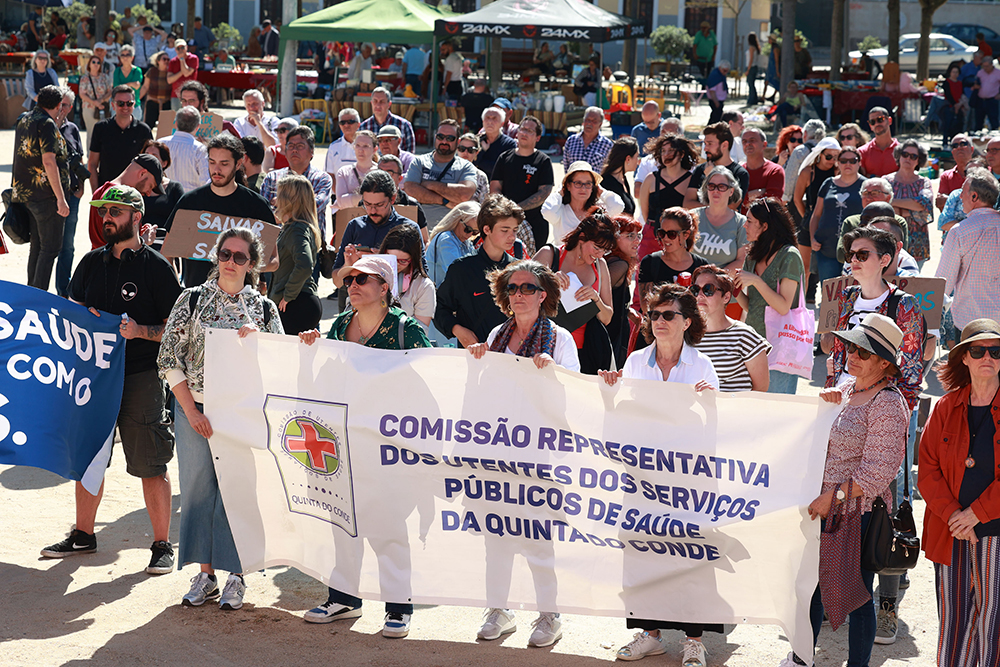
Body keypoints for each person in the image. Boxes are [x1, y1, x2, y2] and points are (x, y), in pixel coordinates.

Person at [41, 184, 181, 579]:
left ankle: (160, 545)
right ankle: (83, 534)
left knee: (150, 462)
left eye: (115, 212)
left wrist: (140, 332)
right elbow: (69, 312)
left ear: (136, 217)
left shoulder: (156, 267)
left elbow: (174, 328)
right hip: (92, 378)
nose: (107, 218)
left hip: (140, 377)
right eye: (104, 211)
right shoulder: (89, 264)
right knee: (88, 458)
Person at [298, 255, 429, 638]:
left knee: (388, 522)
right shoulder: (339, 325)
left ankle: (399, 606)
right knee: (343, 519)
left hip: (389, 444)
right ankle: (344, 597)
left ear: (385, 288)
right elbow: (324, 380)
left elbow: (428, 380)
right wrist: (311, 348)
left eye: (364, 279)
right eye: (350, 278)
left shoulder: (406, 329)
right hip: (343, 441)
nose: (352, 284)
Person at [159, 227, 283, 611]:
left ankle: (237, 576)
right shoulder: (191, 300)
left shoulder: (264, 310)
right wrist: (192, 411)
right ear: (217, 257)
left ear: (252, 265)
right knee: (197, 490)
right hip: (192, 408)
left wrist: (259, 340)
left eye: (240, 257)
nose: (231, 262)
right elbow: (168, 358)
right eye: (225, 254)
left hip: (242, 415)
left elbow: (280, 367)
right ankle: (206, 573)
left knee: (238, 493)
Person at [778, 314, 908, 667]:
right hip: (829, 509)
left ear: (884, 363)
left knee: (858, 595)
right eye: (851, 346)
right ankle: (802, 657)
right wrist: (826, 407)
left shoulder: (888, 403)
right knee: (813, 586)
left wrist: (831, 497)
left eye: (863, 352)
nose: (853, 354)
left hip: (856, 514)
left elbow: (879, 472)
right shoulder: (850, 389)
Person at [468, 259, 579, 647]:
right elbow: (483, 391)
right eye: (512, 288)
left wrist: (553, 372)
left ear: (543, 295)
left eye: (528, 288)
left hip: (539, 454)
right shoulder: (498, 334)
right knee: (495, 536)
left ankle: (549, 615)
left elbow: (575, 393)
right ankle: (499, 609)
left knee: (537, 537)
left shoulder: (559, 339)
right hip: (497, 449)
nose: (519, 295)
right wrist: (480, 360)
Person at [918, 318, 1000, 667]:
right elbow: (927, 470)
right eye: (978, 350)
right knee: (952, 621)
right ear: (963, 357)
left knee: (993, 620)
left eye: (996, 351)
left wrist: (976, 514)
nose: (988, 357)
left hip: (994, 529)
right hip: (949, 529)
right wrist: (955, 516)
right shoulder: (945, 406)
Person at [162, 133, 277, 288]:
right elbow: (167, 253)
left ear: (238, 164)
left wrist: (242, 265)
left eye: (224, 163)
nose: (216, 170)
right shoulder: (189, 202)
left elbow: (274, 260)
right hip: (198, 299)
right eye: (212, 162)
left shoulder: (256, 205)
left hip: (239, 302)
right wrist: (176, 289)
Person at [734, 198, 804, 394]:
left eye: (749, 221)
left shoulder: (789, 255)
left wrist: (756, 281)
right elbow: (752, 306)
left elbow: (783, 306)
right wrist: (734, 289)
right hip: (754, 345)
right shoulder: (752, 256)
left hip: (782, 345)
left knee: (777, 410)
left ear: (764, 226)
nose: (744, 225)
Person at [434, 195, 522, 348]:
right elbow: (438, 308)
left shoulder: (518, 270)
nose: (512, 236)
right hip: (473, 357)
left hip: (510, 358)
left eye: (515, 230)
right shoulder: (462, 268)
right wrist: (457, 330)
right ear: (487, 229)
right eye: (505, 230)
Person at [534, 214, 617, 374]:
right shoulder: (549, 254)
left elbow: (607, 318)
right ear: (582, 237)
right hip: (546, 347)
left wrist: (596, 299)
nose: (599, 255)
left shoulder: (600, 265)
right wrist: (548, 282)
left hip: (585, 351)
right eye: (597, 248)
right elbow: (520, 291)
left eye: (604, 251)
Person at [11, 85, 70, 291]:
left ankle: (32, 292)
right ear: (57, 105)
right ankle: (39, 297)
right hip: (45, 196)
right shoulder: (46, 123)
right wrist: (61, 199)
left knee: (37, 247)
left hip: (26, 195)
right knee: (50, 249)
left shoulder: (24, 118)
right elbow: (48, 161)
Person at [937, 168, 1000, 335]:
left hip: (970, 321)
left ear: (974, 197)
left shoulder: (960, 231)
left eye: (963, 191)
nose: (959, 196)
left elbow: (943, 282)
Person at [332, 170, 422, 285]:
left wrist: (385, 262)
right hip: (358, 300)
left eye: (379, 205)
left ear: (392, 199)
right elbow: (337, 282)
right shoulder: (354, 226)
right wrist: (348, 264)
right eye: (367, 204)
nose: (373, 211)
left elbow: (421, 276)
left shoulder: (409, 228)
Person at [693, 265, 770, 392]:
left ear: (726, 297)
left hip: (736, 410)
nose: (700, 295)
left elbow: (761, 389)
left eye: (708, 289)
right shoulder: (687, 335)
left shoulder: (745, 336)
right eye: (695, 289)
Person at [261, 126, 333, 246]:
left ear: (312, 152)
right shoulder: (272, 178)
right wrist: (304, 199)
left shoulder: (322, 179)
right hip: (275, 247)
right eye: (291, 146)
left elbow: (314, 207)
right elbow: (264, 213)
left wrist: (281, 203)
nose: (294, 150)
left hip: (310, 247)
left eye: (300, 146)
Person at [490, 114, 555, 247]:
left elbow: (544, 192)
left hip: (534, 223)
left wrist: (517, 209)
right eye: (522, 129)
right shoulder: (504, 158)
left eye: (530, 131)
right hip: (505, 221)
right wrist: (505, 209)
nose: (524, 133)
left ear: (538, 137)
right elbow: (495, 187)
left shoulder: (543, 161)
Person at [271, 173, 323, 335]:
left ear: (288, 200)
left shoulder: (297, 229)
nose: (275, 200)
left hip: (296, 304)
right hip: (297, 303)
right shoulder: (296, 227)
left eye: (279, 195)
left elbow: (305, 264)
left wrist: (288, 295)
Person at [404, 119, 478, 228]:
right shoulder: (419, 162)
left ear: (458, 142)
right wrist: (444, 201)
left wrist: (430, 185)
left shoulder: (466, 167)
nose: (444, 141)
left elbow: (464, 195)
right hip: (419, 231)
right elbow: (410, 191)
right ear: (435, 138)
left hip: (451, 233)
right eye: (440, 137)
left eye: (450, 138)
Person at [809, 145, 866, 283]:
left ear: (859, 162)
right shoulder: (828, 183)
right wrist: (812, 239)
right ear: (837, 162)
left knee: (855, 291)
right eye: (843, 160)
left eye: (853, 160)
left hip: (856, 250)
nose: (848, 164)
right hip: (826, 247)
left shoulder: (866, 185)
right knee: (829, 293)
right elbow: (816, 214)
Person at [638, 133, 698, 261]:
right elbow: (644, 212)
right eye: (663, 151)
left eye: (671, 150)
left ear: (682, 154)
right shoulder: (651, 179)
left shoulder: (692, 180)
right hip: (652, 234)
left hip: (679, 237)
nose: (666, 154)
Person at [87, 153, 166, 249]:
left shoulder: (100, 191)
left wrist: (139, 233)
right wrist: (143, 241)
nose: (149, 193)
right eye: (150, 186)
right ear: (142, 173)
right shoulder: (118, 198)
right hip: (112, 262)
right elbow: (116, 248)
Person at [87, 84, 153, 192]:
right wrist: (96, 192)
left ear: (134, 104)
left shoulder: (144, 130)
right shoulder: (101, 128)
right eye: (121, 103)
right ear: (113, 105)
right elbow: (92, 163)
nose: (125, 107)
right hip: (107, 192)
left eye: (129, 103)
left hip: (134, 194)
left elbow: (150, 165)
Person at [790, 137, 839, 282]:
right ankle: (800, 303)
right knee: (803, 268)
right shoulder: (808, 172)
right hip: (810, 220)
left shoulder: (837, 172)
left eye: (836, 157)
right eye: (828, 156)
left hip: (831, 222)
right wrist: (807, 216)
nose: (832, 160)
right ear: (819, 154)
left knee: (830, 265)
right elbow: (797, 199)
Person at [541, 161, 625, 242]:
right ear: (568, 186)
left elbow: (618, 206)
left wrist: (601, 192)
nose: (583, 188)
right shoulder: (560, 211)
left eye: (588, 183)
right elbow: (547, 211)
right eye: (578, 183)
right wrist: (559, 192)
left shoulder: (598, 211)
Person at [53, 87, 84, 299]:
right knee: (45, 248)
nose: (60, 109)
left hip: (71, 195)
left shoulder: (72, 129)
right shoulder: (42, 127)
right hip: (48, 197)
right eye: (58, 104)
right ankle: (37, 291)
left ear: (70, 107)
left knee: (67, 247)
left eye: (65, 105)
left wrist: (81, 187)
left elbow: (79, 160)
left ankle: (63, 292)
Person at [835, 178, 909, 263]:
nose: (868, 198)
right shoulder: (851, 221)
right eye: (865, 193)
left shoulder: (897, 222)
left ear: (888, 198)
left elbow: (899, 253)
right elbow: (841, 256)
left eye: (875, 193)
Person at [886, 139, 933, 268]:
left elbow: (924, 206)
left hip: (917, 244)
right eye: (905, 154)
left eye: (913, 156)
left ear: (919, 160)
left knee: (913, 286)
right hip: (888, 242)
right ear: (899, 156)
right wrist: (913, 209)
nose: (908, 159)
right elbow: (882, 207)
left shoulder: (924, 182)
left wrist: (892, 202)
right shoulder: (886, 181)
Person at [378, 225, 436, 329]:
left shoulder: (424, 286)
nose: (395, 265)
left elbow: (421, 328)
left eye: (403, 261)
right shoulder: (368, 277)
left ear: (413, 259)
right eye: (391, 258)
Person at [684, 121, 749, 211]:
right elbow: (687, 204)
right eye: (705, 144)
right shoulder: (700, 169)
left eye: (710, 144)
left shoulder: (740, 173)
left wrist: (710, 177)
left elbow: (731, 207)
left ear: (724, 145)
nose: (705, 148)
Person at [691, 166, 747, 269]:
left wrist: (716, 280)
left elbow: (742, 260)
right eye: (711, 186)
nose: (715, 191)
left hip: (724, 281)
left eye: (722, 187)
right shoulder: (692, 217)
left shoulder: (741, 223)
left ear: (731, 191)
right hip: (692, 280)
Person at [607, 216, 642, 367]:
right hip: (610, 335)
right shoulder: (619, 265)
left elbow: (613, 298)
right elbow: (600, 297)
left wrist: (626, 310)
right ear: (614, 238)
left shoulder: (614, 261)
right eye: (630, 236)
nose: (636, 241)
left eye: (638, 235)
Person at [141, 140, 186, 248]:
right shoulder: (134, 186)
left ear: (164, 163)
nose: (148, 160)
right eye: (146, 155)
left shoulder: (175, 188)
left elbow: (182, 220)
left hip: (164, 244)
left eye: (154, 156)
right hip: (139, 242)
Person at [426, 202, 480, 287]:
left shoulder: (466, 243)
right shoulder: (446, 240)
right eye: (468, 229)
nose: (470, 235)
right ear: (457, 220)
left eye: (475, 232)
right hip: (437, 296)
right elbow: (459, 275)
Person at [158, 106, 209, 192]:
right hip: (190, 199)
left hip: (164, 198)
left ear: (176, 123)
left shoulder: (160, 143)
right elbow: (205, 181)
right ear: (198, 126)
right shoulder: (200, 149)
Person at [359, 86, 416, 154]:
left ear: (389, 104)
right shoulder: (363, 128)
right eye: (375, 101)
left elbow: (410, 156)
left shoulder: (404, 125)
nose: (378, 105)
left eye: (382, 101)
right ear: (371, 103)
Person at [334, 130, 379, 211]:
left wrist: (352, 198)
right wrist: (373, 199)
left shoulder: (381, 172)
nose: (360, 150)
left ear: (375, 149)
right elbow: (341, 201)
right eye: (357, 145)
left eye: (365, 146)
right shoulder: (344, 172)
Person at [741, 127, 784, 209]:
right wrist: (757, 194)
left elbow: (771, 204)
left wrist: (745, 197)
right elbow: (733, 202)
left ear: (764, 145)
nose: (748, 144)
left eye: (752, 140)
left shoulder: (775, 171)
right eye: (744, 141)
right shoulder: (738, 172)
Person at [563, 106, 614, 172]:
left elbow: (609, 170)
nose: (589, 123)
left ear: (600, 124)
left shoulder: (607, 145)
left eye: (594, 121)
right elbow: (566, 167)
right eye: (587, 120)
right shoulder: (571, 141)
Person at [600, 137, 640, 218]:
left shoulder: (623, 179)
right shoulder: (606, 184)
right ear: (628, 159)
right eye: (637, 157)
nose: (638, 161)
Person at [937, 134, 975, 211]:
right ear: (952, 152)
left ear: (972, 149)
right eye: (955, 146)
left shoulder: (984, 172)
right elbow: (942, 206)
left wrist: (950, 200)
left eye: (963, 144)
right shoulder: (946, 176)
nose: (959, 148)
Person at [325, 107, 360, 191]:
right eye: (342, 122)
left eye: (350, 121)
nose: (346, 125)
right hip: (338, 198)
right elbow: (330, 175)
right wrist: (340, 197)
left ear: (358, 124)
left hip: (363, 199)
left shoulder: (367, 145)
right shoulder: (333, 147)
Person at [476, 106, 517, 177]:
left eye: (494, 119)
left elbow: (504, 169)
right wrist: (483, 150)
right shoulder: (476, 141)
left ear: (502, 124)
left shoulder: (509, 144)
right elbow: (469, 163)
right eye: (487, 118)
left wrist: (479, 163)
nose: (490, 121)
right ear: (483, 122)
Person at [859, 107, 899, 178]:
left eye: (880, 119)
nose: (877, 123)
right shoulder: (862, 152)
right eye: (872, 122)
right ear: (870, 126)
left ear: (889, 120)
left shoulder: (902, 151)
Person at [80, 55, 113, 141]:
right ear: (89, 64)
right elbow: (82, 94)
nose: (96, 64)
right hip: (89, 107)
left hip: (103, 107)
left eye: (98, 62)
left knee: (104, 133)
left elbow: (110, 91)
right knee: (91, 132)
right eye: (93, 62)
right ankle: (90, 154)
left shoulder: (105, 77)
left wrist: (101, 100)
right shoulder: (85, 78)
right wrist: (94, 102)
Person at [139, 51, 171, 132]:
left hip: (166, 103)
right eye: (164, 59)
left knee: (165, 129)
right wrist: (137, 99)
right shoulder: (152, 71)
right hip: (152, 102)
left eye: (168, 59)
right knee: (148, 127)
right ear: (158, 61)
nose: (167, 61)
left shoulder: (170, 72)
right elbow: (145, 87)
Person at [114, 45, 144, 122]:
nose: (125, 57)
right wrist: (130, 84)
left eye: (128, 55)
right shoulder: (117, 71)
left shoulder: (137, 70)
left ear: (132, 57)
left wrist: (123, 86)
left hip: (134, 105)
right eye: (123, 55)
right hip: (119, 106)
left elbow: (137, 86)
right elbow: (116, 88)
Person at [941, 64, 968, 148]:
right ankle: (945, 143)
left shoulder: (960, 83)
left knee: (958, 126)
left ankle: (956, 143)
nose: (955, 74)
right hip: (949, 106)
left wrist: (959, 105)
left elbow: (962, 94)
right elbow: (948, 95)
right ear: (950, 72)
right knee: (947, 125)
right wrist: (954, 105)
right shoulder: (947, 82)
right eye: (953, 72)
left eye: (956, 72)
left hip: (959, 106)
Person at [166, 39, 198, 110]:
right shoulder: (173, 61)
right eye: (178, 48)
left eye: (182, 47)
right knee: (176, 118)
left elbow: (186, 74)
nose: (180, 50)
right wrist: (181, 72)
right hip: (176, 95)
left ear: (186, 47)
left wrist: (181, 59)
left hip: (190, 95)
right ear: (175, 50)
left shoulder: (193, 58)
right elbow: (169, 80)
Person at [973, 56, 1000, 132]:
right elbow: (975, 83)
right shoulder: (980, 73)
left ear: (992, 65)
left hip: (992, 100)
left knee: (994, 121)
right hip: (980, 100)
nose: (985, 68)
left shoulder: (998, 73)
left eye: (987, 66)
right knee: (978, 122)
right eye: (984, 66)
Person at [705, 61, 730, 125]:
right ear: (720, 68)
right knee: (715, 117)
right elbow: (712, 90)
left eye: (727, 71)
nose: (726, 72)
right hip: (715, 100)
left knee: (717, 116)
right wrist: (716, 102)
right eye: (724, 71)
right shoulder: (715, 76)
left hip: (719, 100)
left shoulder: (721, 75)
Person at [745, 33, 763, 107]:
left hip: (751, 67)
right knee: (751, 83)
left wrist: (748, 69)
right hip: (754, 66)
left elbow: (751, 59)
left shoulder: (751, 48)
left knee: (750, 83)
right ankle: (753, 98)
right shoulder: (755, 47)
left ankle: (752, 98)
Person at [766, 33, 781, 101]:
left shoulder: (775, 49)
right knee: (767, 81)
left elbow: (776, 60)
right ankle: (765, 96)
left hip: (774, 68)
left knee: (775, 82)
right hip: (771, 67)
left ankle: (773, 96)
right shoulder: (772, 48)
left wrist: (777, 71)